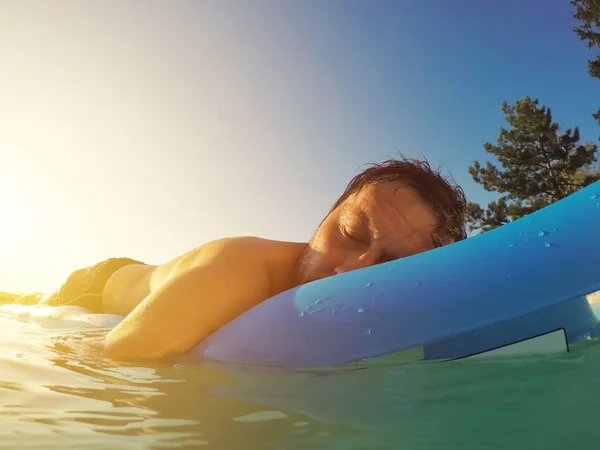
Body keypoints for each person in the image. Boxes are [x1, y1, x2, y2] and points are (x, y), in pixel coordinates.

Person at [8, 156, 468, 360]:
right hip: (97, 286)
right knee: (29, 309)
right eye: (350, 233)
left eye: (389, 269)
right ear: (326, 215)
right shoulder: (238, 273)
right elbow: (119, 356)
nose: (353, 269)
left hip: (151, 279)